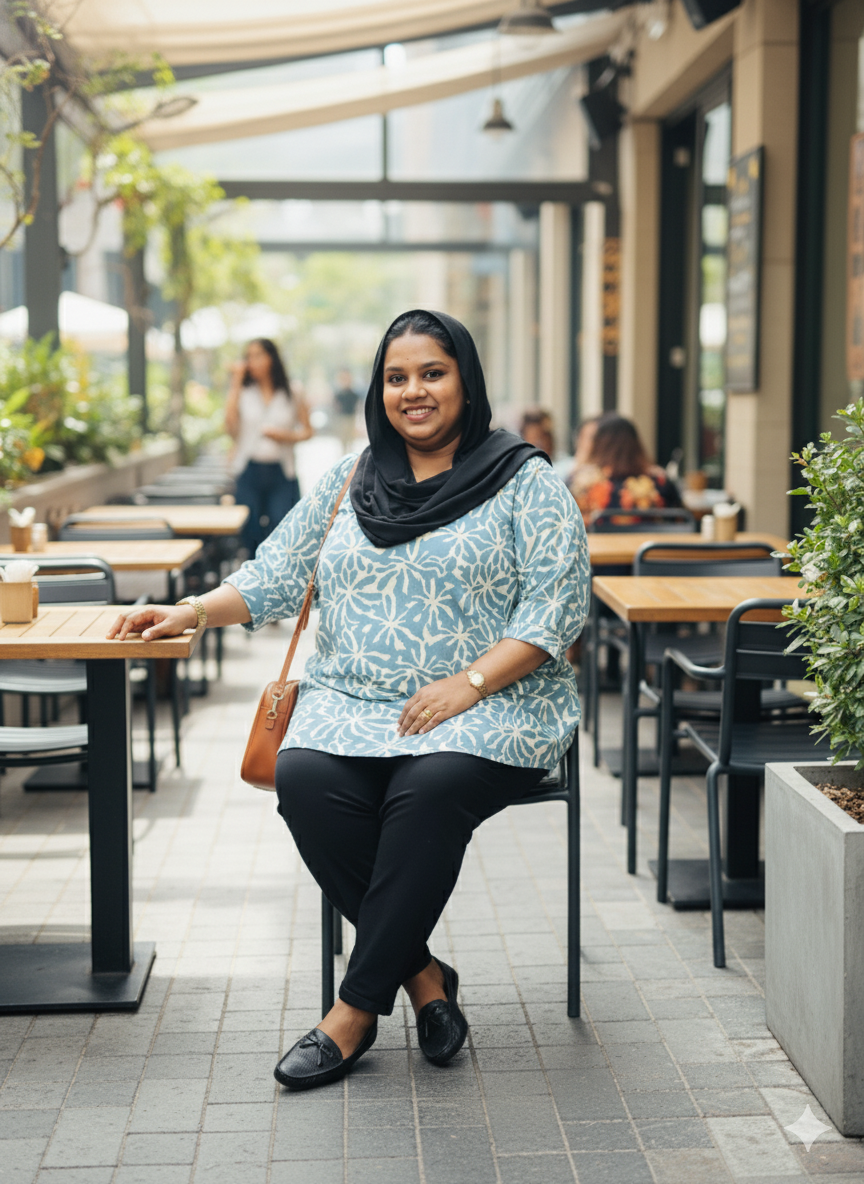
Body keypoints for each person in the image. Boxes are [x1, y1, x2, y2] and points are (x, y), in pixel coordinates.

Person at [108, 309, 590, 1093]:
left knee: (426, 787)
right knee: (302, 777)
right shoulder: (350, 479)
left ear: (466, 382)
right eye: (396, 377)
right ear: (379, 389)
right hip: (352, 703)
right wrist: (191, 610)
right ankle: (425, 981)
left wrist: (465, 684)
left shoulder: (526, 483)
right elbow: (273, 575)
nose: (414, 391)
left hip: (489, 705)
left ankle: (354, 1011)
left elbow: (553, 612)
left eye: (432, 373)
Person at [225, 338, 313, 557]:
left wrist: (286, 436)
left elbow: (308, 431)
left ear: (272, 358)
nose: (251, 362)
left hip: (282, 472)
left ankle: (277, 583)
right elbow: (229, 427)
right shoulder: (244, 392)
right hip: (248, 470)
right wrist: (236, 382)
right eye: (248, 357)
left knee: (282, 528)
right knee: (250, 529)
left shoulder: (293, 391)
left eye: (257, 355)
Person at [573, 413, 682, 523]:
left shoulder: (583, 485)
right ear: (636, 444)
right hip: (648, 540)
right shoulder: (661, 483)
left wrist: (580, 463)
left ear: (598, 446)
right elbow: (680, 521)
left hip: (600, 540)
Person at [332, 366, 362, 452]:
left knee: (350, 440)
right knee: (344, 441)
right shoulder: (339, 394)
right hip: (342, 419)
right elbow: (335, 407)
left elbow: (357, 407)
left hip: (350, 418)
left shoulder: (354, 394)